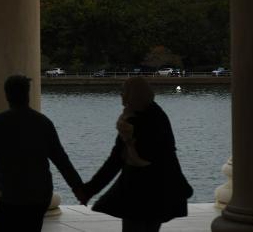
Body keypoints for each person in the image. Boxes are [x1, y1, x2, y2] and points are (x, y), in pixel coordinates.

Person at [0, 75, 85, 232]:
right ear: (27, 94)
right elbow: (61, 160)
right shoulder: (43, 123)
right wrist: (78, 188)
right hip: (40, 195)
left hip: (12, 195)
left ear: (7, 95)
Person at [78, 77, 192, 232]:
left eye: (124, 91)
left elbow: (116, 160)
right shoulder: (157, 114)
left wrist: (89, 190)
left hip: (138, 190)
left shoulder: (132, 122)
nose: (121, 95)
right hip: (162, 188)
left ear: (132, 95)